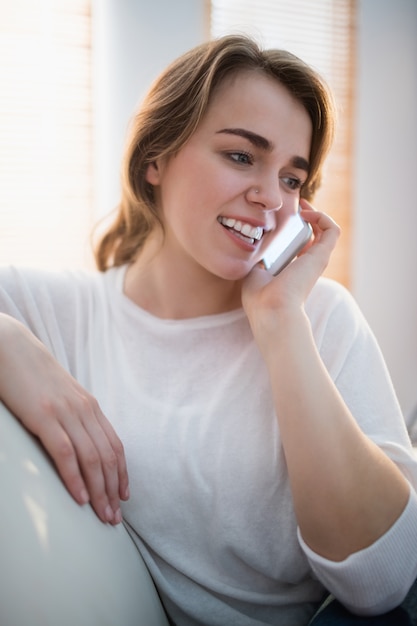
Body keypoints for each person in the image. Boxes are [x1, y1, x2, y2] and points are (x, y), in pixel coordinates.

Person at [0, 34, 417, 626]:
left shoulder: (320, 316)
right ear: (156, 159)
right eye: (242, 156)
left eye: (293, 179)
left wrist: (278, 325)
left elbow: (383, 583)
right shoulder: (60, 311)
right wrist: (7, 340)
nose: (271, 196)